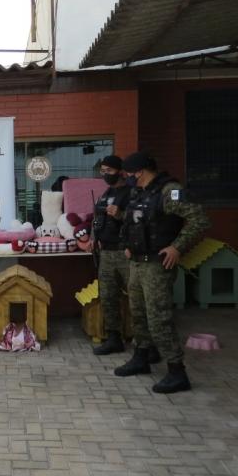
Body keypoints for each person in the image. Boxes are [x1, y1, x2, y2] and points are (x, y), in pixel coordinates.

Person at [114, 152, 210, 394]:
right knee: (138, 313)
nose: (129, 179)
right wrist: (127, 244)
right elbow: (132, 220)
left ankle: (177, 371)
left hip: (157, 265)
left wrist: (177, 247)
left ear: (142, 171)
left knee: (159, 318)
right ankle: (141, 357)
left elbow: (199, 219)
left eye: (130, 174)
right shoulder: (139, 193)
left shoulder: (169, 191)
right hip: (137, 262)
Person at [89, 155, 132, 355]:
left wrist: (121, 214)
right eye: (102, 171)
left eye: (109, 171)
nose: (105, 175)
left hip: (126, 253)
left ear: (120, 171)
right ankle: (113, 338)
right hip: (105, 252)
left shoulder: (132, 193)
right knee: (108, 297)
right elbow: (97, 218)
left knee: (137, 298)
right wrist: (93, 237)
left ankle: (145, 343)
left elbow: (142, 222)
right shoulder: (105, 194)